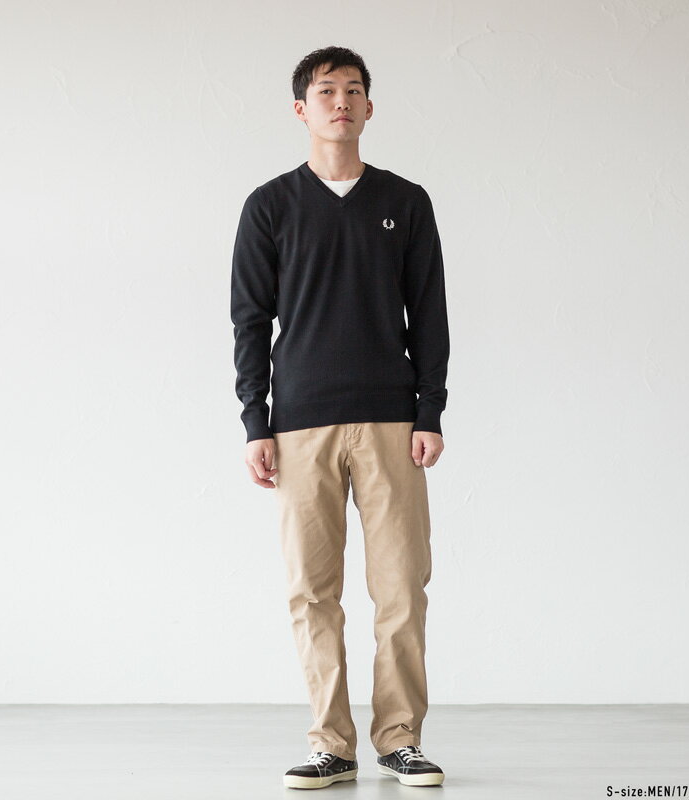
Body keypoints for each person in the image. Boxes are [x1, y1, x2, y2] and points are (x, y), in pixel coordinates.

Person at [230, 45, 450, 789]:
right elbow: (249, 320)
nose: (341, 102)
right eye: (326, 92)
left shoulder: (406, 202)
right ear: (302, 108)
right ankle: (331, 742)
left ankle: (400, 738)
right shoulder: (270, 206)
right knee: (311, 591)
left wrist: (429, 410)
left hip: (392, 420)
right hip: (301, 424)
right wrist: (256, 422)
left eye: (354, 90)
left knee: (401, 588)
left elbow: (430, 315)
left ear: (370, 107)